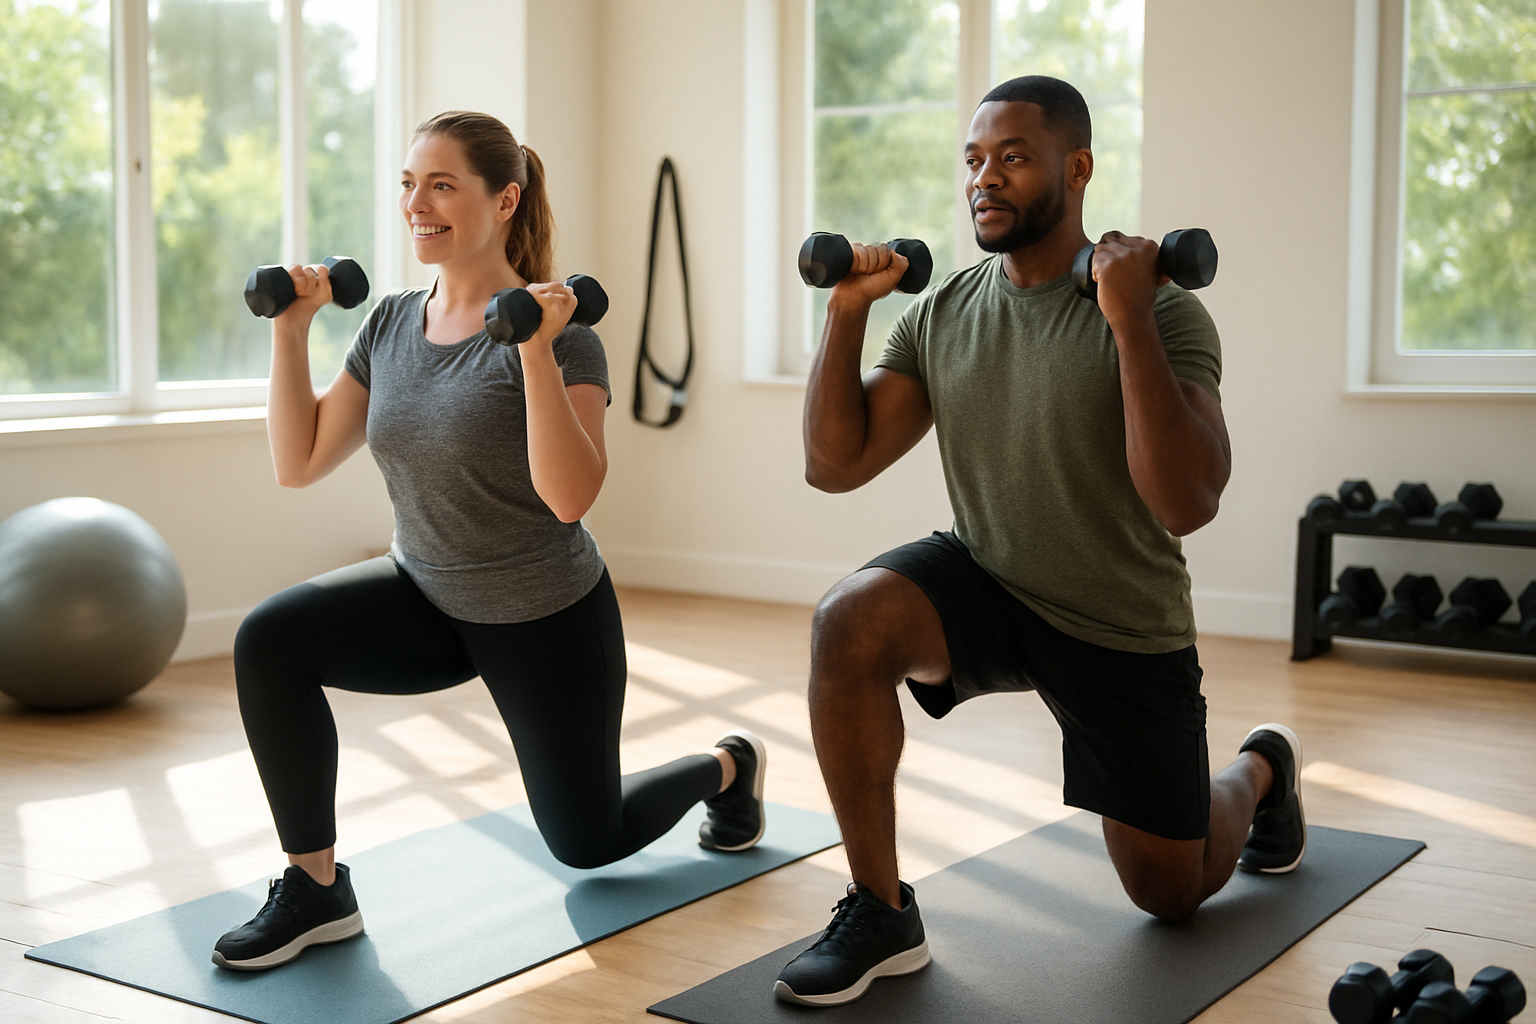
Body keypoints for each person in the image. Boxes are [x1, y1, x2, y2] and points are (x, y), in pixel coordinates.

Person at [775, 76, 1304, 1007]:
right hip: (991, 576)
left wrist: (1129, 314)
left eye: (1013, 158)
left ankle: (1262, 771)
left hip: (1119, 623)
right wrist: (849, 310)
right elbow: (834, 465)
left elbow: (1186, 502)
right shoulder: (945, 313)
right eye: (975, 160)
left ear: (1078, 167)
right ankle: (880, 907)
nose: (986, 178)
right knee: (848, 621)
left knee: (1169, 893)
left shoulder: (1166, 310)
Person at [212, 111, 768, 972]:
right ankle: (316, 889)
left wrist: (536, 353)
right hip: (424, 596)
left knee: (588, 842)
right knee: (269, 640)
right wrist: (291, 330)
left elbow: (570, 498)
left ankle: (728, 767)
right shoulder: (391, 324)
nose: (416, 204)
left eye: (442, 184)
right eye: (407, 183)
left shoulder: (565, 334)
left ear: (504, 199)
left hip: (542, 612)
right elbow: (301, 461)